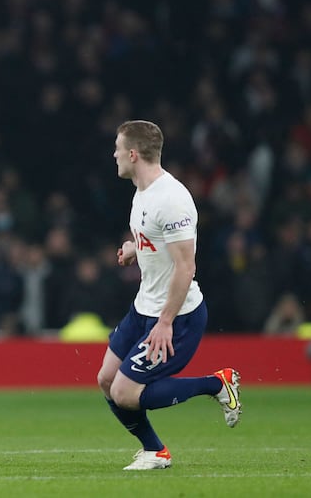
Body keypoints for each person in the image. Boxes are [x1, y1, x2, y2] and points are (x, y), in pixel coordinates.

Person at [96, 120, 242, 471]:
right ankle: (155, 451)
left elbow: (185, 267)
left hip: (178, 317)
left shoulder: (173, 200)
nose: (114, 154)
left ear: (132, 154)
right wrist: (136, 247)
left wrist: (165, 323)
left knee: (124, 392)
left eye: (117, 148)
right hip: (143, 307)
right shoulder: (142, 191)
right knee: (105, 380)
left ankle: (216, 384)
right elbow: (155, 240)